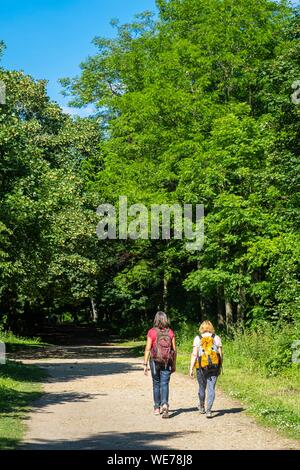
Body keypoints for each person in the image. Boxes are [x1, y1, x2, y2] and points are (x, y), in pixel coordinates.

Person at [143, 311, 176, 419]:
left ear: (155, 319)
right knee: (164, 383)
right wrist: (174, 364)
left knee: (156, 383)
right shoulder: (170, 332)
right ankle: (165, 404)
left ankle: (157, 407)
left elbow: (148, 349)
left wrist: (145, 364)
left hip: (154, 361)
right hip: (167, 361)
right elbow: (174, 350)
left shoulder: (151, 332)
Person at [189, 320, 222, 418]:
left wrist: (191, 368)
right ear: (211, 327)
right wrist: (220, 366)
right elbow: (220, 354)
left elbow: (194, 354)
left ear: (201, 328)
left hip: (201, 367)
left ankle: (202, 406)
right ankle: (209, 410)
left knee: (202, 387)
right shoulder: (216, 337)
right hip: (214, 367)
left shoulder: (197, 338)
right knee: (211, 388)